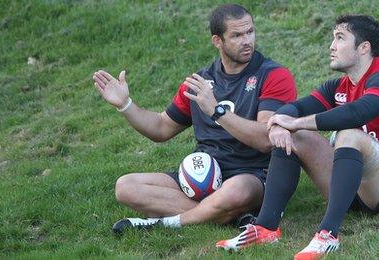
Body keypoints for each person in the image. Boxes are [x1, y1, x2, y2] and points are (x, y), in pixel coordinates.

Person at [216, 14, 379, 259]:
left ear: (363, 48)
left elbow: (357, 113)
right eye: (333, 38)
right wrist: (279, 125)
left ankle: (328, 235)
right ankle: (265, 228)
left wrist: (295, 123)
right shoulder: (337, 86)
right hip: (359, 191)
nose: (331, 46)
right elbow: (294, 108)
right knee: (296, 136)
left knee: (348, 134)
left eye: (340, 38)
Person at [92, 4, 296, 234]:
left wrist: (216, 110)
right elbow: (161, 128)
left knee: (237, 191)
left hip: (252, 174)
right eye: (237, 35)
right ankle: (227, 214)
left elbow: (265, 139)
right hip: (204, 174)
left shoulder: (275, 75)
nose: (247, 40)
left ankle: (164, 223)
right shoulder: (200, 82)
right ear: (217, 41)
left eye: (250, 32)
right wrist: (125, 105)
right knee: (126, 187)